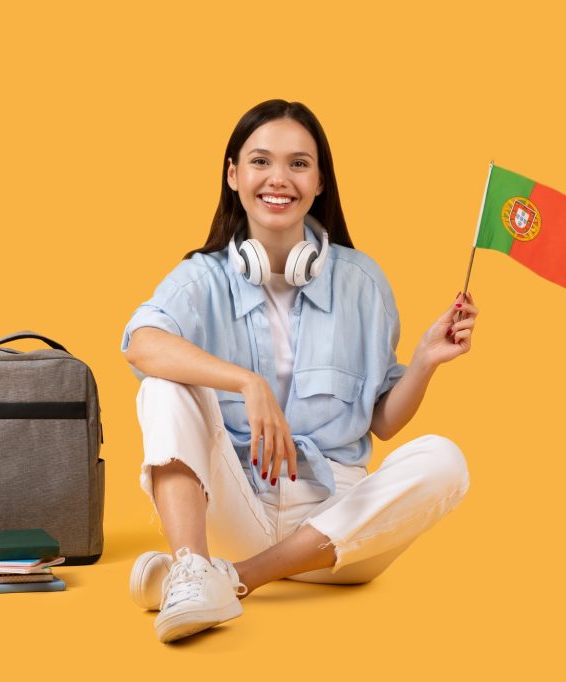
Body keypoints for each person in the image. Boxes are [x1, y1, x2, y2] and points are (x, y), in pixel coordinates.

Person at [121, 99, 477, 643]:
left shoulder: (365, 283)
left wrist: (425, 360)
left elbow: (383, 422)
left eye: (299, 164)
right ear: (233, 174)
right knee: (163, 386)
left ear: (320, 182)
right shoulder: (202, 278)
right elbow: (141, 343)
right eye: (261, 162)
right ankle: (196, 563)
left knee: (446, 461)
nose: (278, 179)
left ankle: (220, 578)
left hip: (338, 533)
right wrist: (247, 382)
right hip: (237, 508)